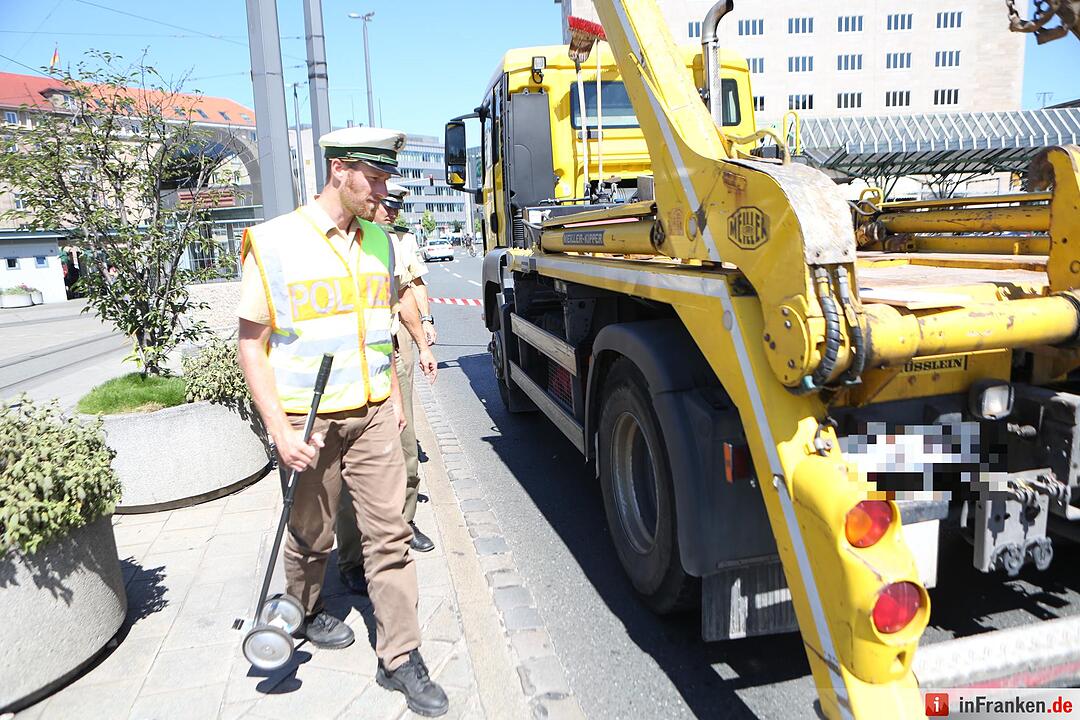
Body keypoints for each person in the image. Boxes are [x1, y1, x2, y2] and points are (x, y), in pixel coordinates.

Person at [235, 126, 449, 717]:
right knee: (312, 533)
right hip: (310, 420)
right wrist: (278, 429)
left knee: (390, 536)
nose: (384, 189)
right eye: (374, 178)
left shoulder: (381, 241)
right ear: (339, 172)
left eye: (386, 178)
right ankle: (300, 612)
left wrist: (396, 399)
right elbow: (251, 344)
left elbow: (379, 322)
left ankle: (401, 656)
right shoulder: (274, 242)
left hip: (375, 409)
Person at [336, 182, 437, 600]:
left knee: (406, 443)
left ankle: (404, 522)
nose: (387, 208)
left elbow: (405, 296)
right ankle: (352, 558)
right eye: (381, 200)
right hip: (348, 364)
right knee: (351, 466)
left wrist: (423, 341)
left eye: (392, 202)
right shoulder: (344, 243)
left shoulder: (392, 244)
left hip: (392, 354)